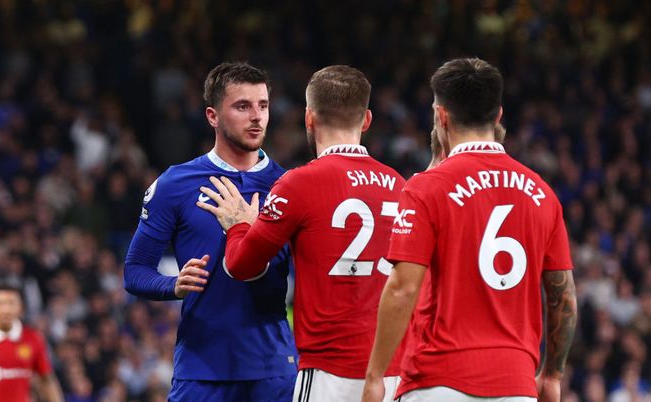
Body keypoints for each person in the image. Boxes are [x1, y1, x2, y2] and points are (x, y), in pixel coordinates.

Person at [362, 58, 578, 402]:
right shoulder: (542, 194)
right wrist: (552, 374)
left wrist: (375, 376)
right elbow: (562, 295)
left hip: (437, 382)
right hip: (516, 387)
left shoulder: (426, 188)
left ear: (441, 116)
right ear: (498, 115)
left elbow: (402, 289)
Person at [197, 65, 405, 401]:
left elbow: (241, 265)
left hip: (329, 372)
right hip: (392, 374)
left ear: (309, 118)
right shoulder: (400, 186)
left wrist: (239, 224)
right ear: (366, 120)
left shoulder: (299, 183)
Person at [123, 62, 297, 402]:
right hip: (203, 369)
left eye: (263, 105)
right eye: (242, 106)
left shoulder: (289, 185)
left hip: (274, 368)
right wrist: (172, 285)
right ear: (212, 116)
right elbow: (134, 271)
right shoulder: (175, 184)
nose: (256, 117)